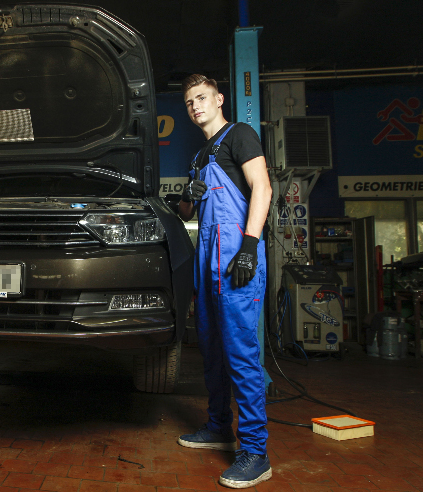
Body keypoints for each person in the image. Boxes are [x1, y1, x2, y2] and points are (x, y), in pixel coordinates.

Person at [175, 74, 273, 489]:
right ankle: (218, 426)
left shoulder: (240, 135)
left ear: (218, 99)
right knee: (211, 349)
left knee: (241, 354)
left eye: (201, 98)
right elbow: (185, 213)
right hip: (206, 256)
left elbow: (262, 187)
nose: (195, 106)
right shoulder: (200, 156)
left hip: (236, 257)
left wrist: (250, 245)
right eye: (189, 102)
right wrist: (187, 194)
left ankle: (256, 452)